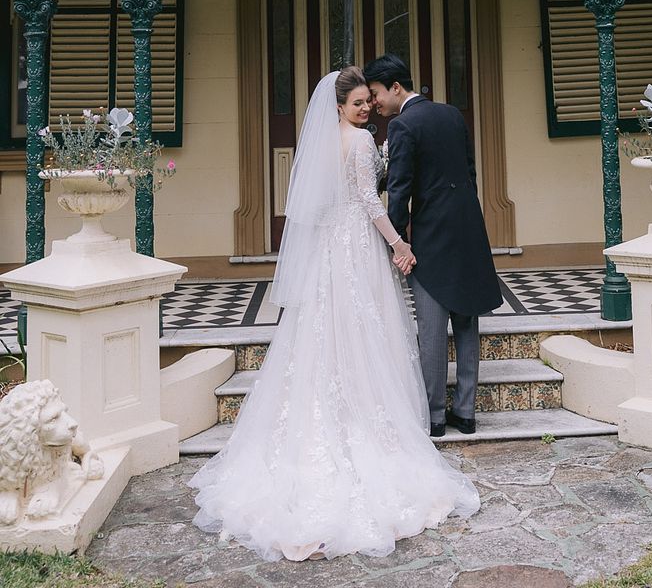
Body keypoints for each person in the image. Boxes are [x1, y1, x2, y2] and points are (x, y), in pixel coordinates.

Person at [189, 66, 479, 562]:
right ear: (339, 106)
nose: (367, 109)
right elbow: (369, 200)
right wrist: (399, 244)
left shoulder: (324, 143)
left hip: (330, 252)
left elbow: (329, 199)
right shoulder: (362, 142)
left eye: (368, 101)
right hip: (358, 250)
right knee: (365, 331)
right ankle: (366, 422)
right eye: (358, 103)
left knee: (331, 335)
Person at [364, 55, 502, 438]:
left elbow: (399, 191)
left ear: (395, 87)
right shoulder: (452, 115)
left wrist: (397, 242)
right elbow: (470, 172)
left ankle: (435, 416)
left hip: (431, 235)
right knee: (467, 318)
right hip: (469, 228)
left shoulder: (402, 125)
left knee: (432, 326)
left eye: (376, 94)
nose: (374, 103)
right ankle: (466, 412)